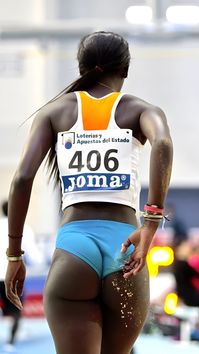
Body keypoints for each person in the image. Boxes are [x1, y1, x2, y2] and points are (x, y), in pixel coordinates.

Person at [4, 31, 173, 354]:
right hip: (124, 252)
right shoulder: (140, 109)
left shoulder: (55, 113)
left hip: (74, 250)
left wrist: (14, 256)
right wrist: (150, 223)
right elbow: (163, 144)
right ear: (124, 71)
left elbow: (22, 179)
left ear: (81, 69)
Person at [0, 200, 43, 352]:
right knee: (16, 310)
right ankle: (10, 342)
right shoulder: (24, 228)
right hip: (12, 275)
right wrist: (40, 262)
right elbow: (35, 255)